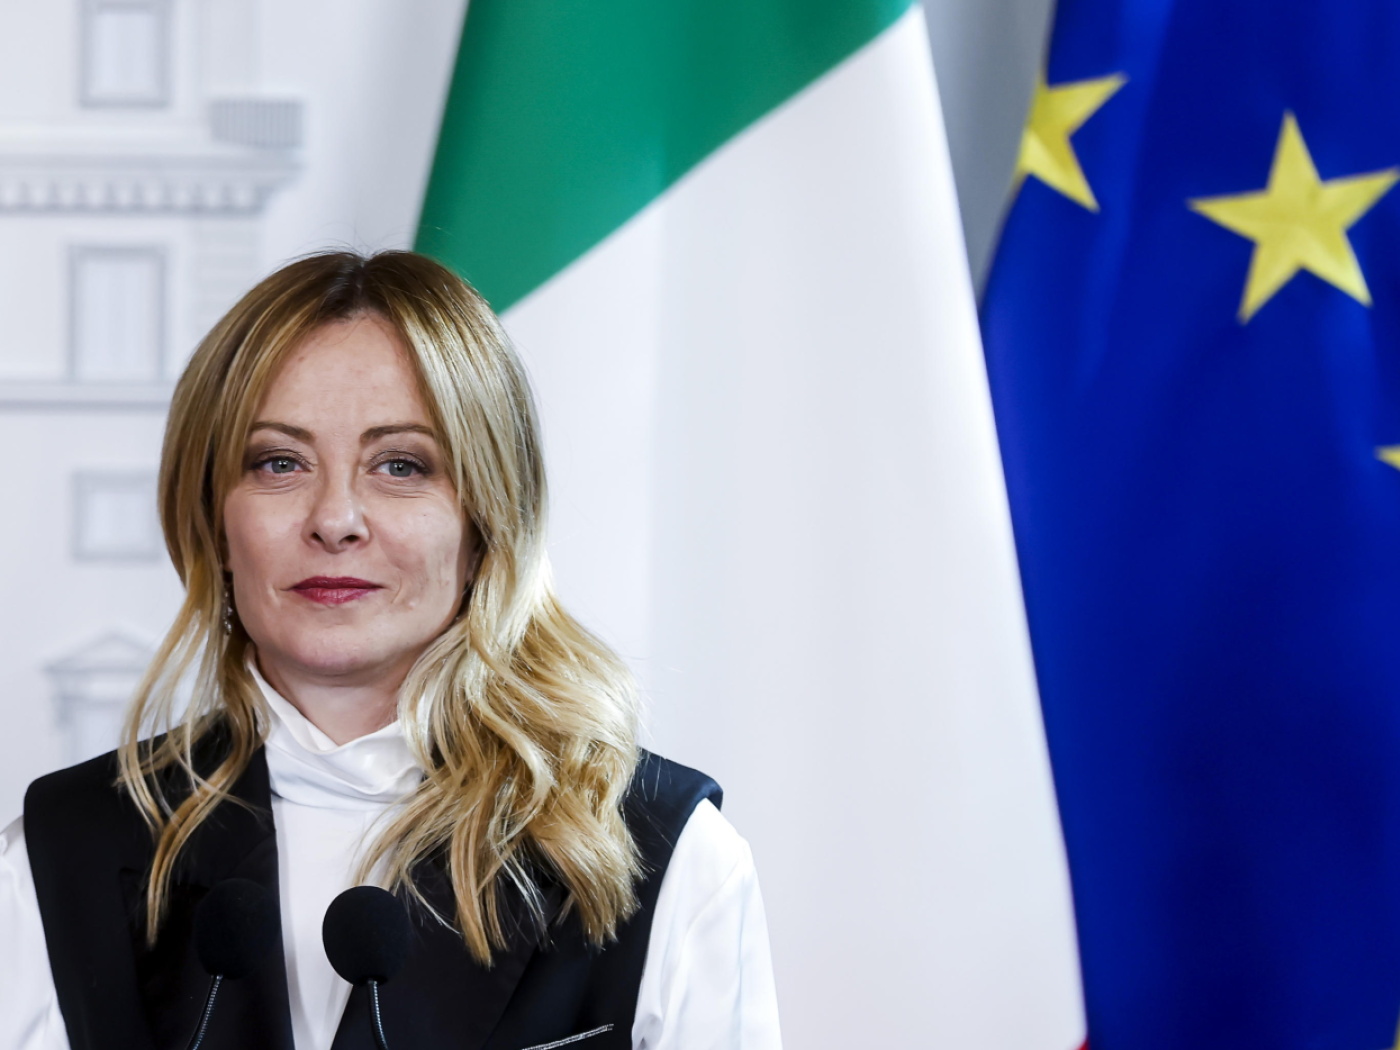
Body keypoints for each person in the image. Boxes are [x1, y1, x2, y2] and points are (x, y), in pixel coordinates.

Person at [0, 251, 782, 1050]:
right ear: (213, 522)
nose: (335, 520)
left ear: (485, 524)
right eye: (279, 463)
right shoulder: (58, 854)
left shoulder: (666, 850)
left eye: (400, 466)